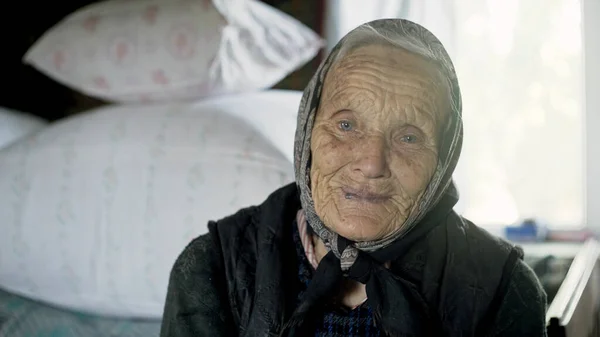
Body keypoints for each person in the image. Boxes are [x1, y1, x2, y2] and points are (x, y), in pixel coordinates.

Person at [160, 19, 548, 337]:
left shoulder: (502, 287)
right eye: (346, 125)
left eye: (409, 137)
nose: (372, 163)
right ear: (308, 132)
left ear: (444, 159)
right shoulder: (212, 267)